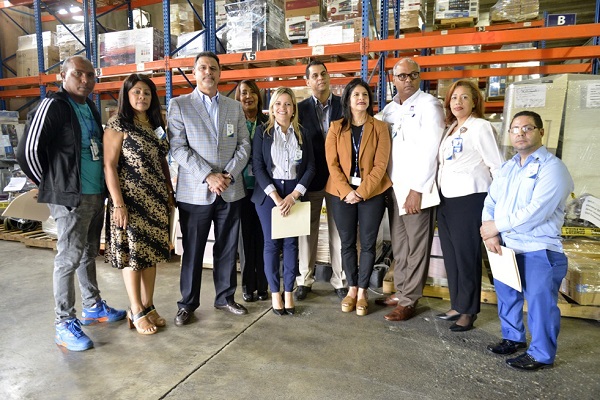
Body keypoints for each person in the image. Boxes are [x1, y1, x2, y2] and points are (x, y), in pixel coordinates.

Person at [16, 55, 126, 351]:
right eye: (79, 74)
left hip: (94, 194)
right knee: (67, 259)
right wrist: (52, 186)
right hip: (71, 198)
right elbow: (26, 152)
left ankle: (93, 306)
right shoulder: (53, 105)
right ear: (63, 76)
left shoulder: (88, 106)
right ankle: (63, 323)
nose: (86, 80)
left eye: (91, 75)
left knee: (88, 252)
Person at [481, 111, 574, 371]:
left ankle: (542, 354)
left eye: (527, 128)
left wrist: (495, 227)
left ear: (541, 132)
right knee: (507, 295)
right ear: (509, 134)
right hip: (507, 245)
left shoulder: (553, 168)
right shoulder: (509, 167)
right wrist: (492, 233)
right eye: (515, 129)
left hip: (538, 248)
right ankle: (513, 338)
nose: (520, 133)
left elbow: (536, 212)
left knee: (540, 304)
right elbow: (491, 201)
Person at [168, 51, 251, 326]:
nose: (208, 72)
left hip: (229, 189)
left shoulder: (234, 107)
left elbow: (244, 145)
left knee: (227, 247)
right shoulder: (180, 105)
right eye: (202, 68)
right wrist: (208, 176)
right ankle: (187, 304)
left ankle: (225, 297)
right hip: (195, 191)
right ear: (194, 73)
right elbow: (178, 148)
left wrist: (226, 175)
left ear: (219, 73)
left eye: (213, 68)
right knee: (193, 249)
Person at [103, 74, 174, 335]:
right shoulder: (118, 124)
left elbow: (162, 160)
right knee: (133, 256)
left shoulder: (156, 123)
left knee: (151, 253)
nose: (142, 97)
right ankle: (135, 309)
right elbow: (109, 165)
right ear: (127, 95)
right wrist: (118, 204)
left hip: (155, 199)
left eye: (146, 92)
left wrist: (168, 191)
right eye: (136, 92)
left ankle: (148, 305)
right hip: (130, 200)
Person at [376, 57, 445, 321]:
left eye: (412, 75)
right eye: (401, 76)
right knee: (400, 244)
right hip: (395, 187)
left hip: (416, 188)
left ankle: (409, 300)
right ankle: (401, 290)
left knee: (416, 246)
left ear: (419, 77)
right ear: (393, 79)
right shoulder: (390, 109)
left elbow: (431, 149)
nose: (407, 80)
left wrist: (417, 189)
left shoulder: (429, 105)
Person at [435, 80, 504, 331]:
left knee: (466, 256)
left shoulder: (481, 127)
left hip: (470, 199)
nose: (458, 102)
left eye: (464, 98)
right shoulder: (452, 128)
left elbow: (497, 166)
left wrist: (496, 207)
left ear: (475, 101)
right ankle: (457, 303)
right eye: (454, 98)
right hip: (446, 200)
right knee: (451, 256)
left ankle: (469, 311)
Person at [325, 78, 392, 316]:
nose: (361, 98)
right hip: (341, 193)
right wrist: (347, 192)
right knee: (346, 243)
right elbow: (332, 164)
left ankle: (363, 292)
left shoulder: (380, 128)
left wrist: (362, 192)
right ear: (348, 100)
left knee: (368, 243)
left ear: (369, 100)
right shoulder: (336, 128)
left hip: (372, 193)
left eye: (364, 94)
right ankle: (351, 289)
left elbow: (381, 164)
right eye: (356, 95)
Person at [252, 87, 315, 315]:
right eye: (278, 103)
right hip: (270, 194)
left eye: (287, 104)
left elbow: (310, 167)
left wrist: (294, 195)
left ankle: (289, 291)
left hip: (294, 192)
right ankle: (275, 293)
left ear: (293, 109)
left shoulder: (303, 133)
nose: (282, 108)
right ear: (272, 107)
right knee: (271, 244)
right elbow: (258, 166)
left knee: (291, 244)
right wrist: (277, 197)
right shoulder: (262, 133)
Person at [296, 60, 347, 301]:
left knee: (339, 230)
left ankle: (340, 280)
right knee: (307, 230)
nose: (320, 79)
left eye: (323, 74)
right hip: (311, 178)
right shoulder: (300, 109)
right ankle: (305, 279)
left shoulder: (343, 105)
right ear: (308, 81)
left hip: (339, 179)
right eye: (314, 75)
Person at [234, 80, 269, 303]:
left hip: (263, 189)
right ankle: (248, 286)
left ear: (259, 96)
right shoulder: (234, 122)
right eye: (243, 93)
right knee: (245, 241)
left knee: (264, 238)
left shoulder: (267, 123)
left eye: (252, 92)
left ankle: (263, 285)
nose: (248, 96)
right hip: (240, 189)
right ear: (237, 98)